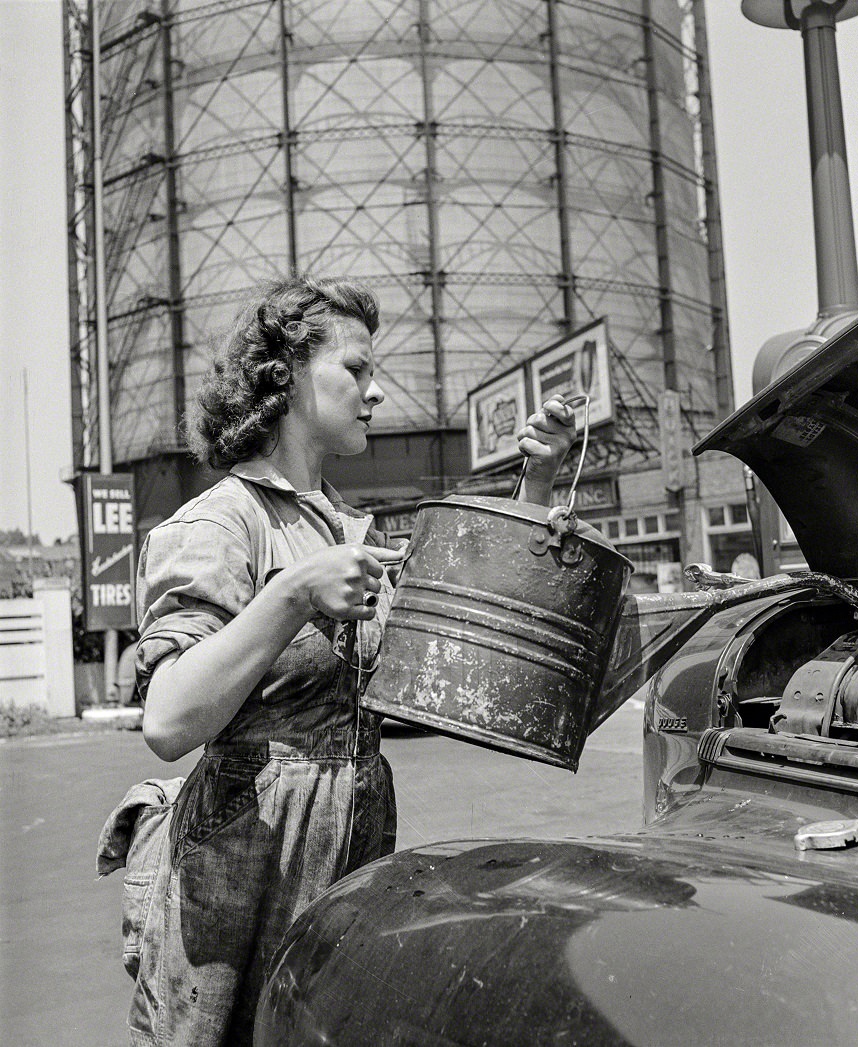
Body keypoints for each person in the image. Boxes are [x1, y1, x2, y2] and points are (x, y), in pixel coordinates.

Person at [96, 276, 576, 1045]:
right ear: (285, 377)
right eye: (355, 369)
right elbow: (168, 717)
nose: (375, 391)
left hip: (350, 847)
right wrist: (292, 594)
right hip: (240, 868)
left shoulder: (350, 525)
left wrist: (539, 479)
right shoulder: (224, 519)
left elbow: (468, 637)